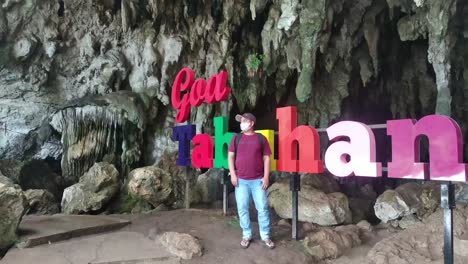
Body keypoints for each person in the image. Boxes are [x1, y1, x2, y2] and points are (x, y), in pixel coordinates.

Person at [228, 113, 275, 249]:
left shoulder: (261, 138)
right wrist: (233, 175)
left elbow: (267, 158)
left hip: (258, 181)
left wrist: (266, 177)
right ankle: (246, 234)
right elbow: (230, 157)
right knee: (242, 208)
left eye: (244, 120)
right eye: (241, 121)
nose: (242, 123)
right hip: (241, 181)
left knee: (263, 208)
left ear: (252, 123)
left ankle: (265, 235)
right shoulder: (236, 138)